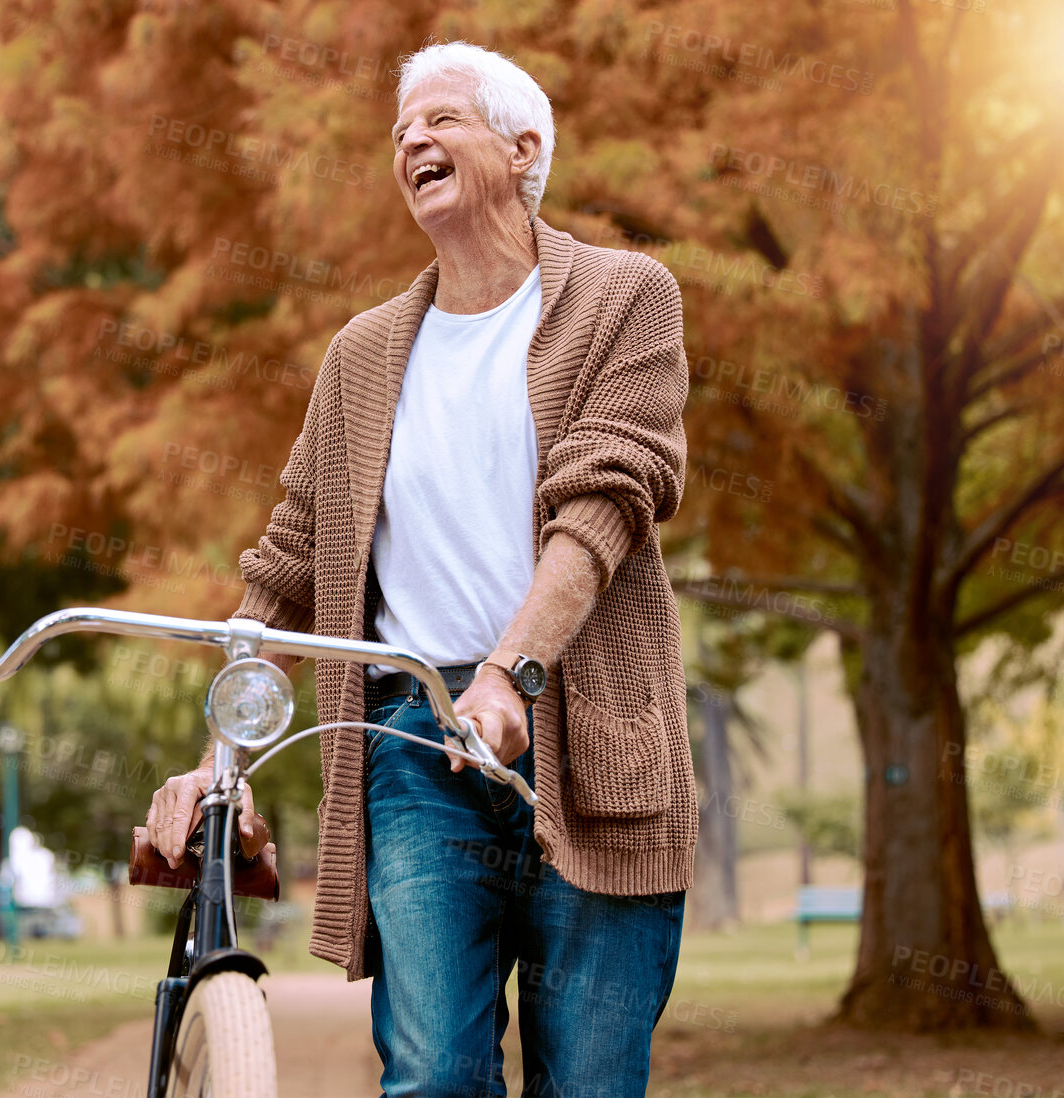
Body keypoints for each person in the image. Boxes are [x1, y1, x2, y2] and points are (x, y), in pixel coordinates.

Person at [146, 42, 695, 1098]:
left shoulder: (628, 297)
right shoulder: (361, 355)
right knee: (435, 1077)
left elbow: (604, 505)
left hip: (592, 743)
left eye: (440, 120)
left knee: (590, 1082)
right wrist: (221, 758)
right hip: (412, 745)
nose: (410, 140)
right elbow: (286, 566)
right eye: (401, 129)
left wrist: (511, 675)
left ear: (525, 147)